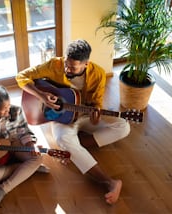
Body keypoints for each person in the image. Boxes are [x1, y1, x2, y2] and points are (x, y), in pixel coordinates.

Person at [16, 39, 130, 204]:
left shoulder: (98, 73)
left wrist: (96, 113)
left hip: (84, 113)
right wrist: (42, 96)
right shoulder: (55, 64)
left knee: (123, 126)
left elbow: (97, 102)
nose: (67, 69)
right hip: (62, 117)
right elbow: (21, 76)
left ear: (86, 64)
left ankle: (75, 149)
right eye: (66, 65)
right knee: (62, 138)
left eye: (73, 67)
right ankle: (108, 181)